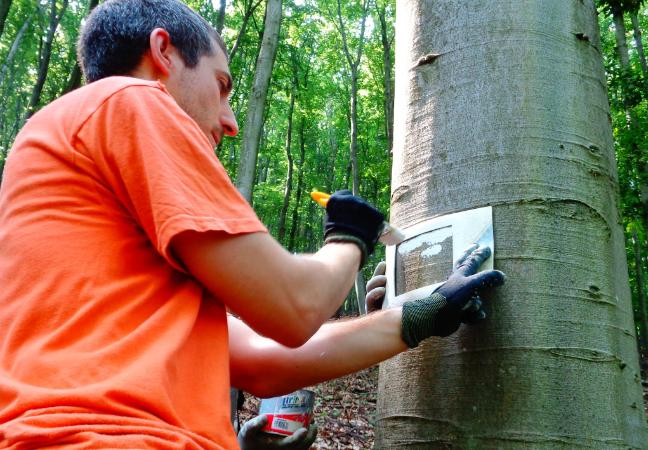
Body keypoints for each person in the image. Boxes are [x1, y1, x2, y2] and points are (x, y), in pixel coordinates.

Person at [0, 1, 505, 449]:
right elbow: (292, 307)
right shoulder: (130, 100)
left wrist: (422, 315)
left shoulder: (95, 204)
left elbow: (263, 359)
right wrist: (350, 237)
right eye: (221, 86)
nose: (230, 119)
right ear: (163, 52)